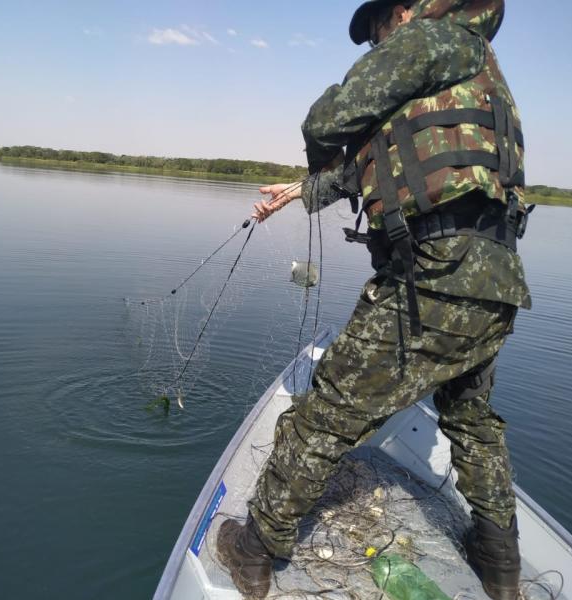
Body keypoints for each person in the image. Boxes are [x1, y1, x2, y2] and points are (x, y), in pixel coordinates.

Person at [216, 1, 532, 599]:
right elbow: (373, 163)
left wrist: (320, 152)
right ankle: (500, 565)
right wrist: (300, 191)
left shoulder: (436, 39)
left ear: (406, 12)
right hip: (494, 280)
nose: (374, 46)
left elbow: (326, 120)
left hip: (433, 277)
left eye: (378, 30)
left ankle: (254, 551)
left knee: (328, 409)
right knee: (471, 419)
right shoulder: (475, 77)